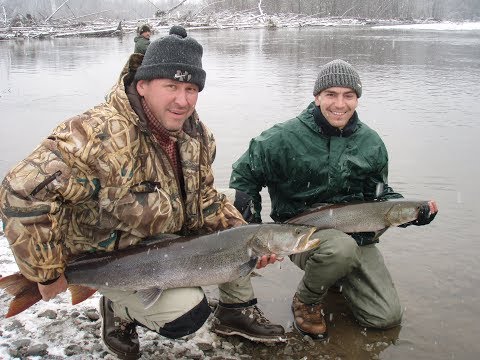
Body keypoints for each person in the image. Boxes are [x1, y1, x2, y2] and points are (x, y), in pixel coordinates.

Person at [0, 26, 283, 360]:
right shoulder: (95, 135)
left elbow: (205, 200)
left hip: (161, 243)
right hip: (103, 257)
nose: (183, 100)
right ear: (143, 84)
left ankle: (237, 308)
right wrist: (45, 273)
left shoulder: (197, 136)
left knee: (237, 221)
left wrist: (245, 238)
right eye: (172, 86)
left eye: (191, 88)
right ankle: (117, 309)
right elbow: (20, 191)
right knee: (187, 314)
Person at [229, 59, 438, 340]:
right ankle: (307, 300)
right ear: (316, 97)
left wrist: (416, 214)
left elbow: (379, 195)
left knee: (385, 318)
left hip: (356, 237)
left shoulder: (371, 143)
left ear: (357, 99)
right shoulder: (281, 139)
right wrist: (255, 231)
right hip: (300, 233)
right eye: (331, 94)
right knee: (339, 249)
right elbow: (244, 178)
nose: (339, 104)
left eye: (348, 96)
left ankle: (333, 276)